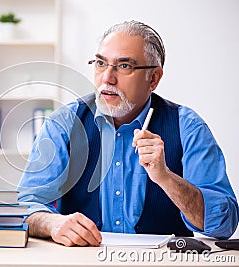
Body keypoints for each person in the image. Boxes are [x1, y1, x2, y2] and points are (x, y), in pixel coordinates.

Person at [17, 20, 239, 247]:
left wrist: (166, 178)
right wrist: (52, 223)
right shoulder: (64, 123)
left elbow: (224, 225)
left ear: (153, 78)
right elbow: (27, 206)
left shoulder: (188, 127)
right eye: (101, 63)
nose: (107, 78)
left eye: (124, 66)